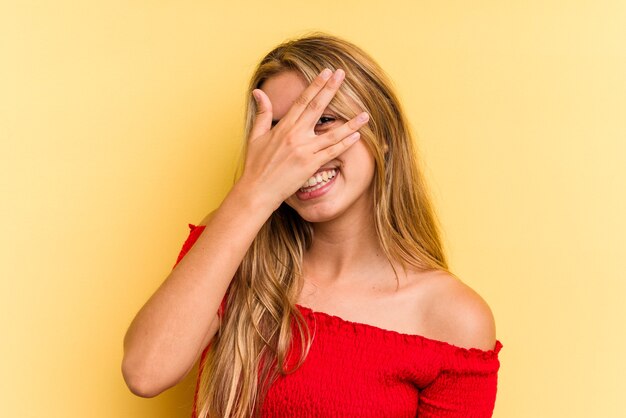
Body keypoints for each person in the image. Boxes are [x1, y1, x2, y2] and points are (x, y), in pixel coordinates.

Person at [122, 32, 502, 418]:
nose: (299, 153)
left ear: (383, 133)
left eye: (324, 120)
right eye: (278, 133)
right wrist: (255, 190)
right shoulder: (235, 248)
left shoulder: (453, 317)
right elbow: (145, 372)